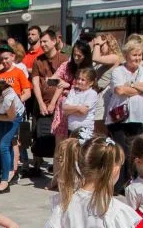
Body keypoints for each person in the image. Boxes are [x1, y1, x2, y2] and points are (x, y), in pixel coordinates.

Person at [107, 38, 143, 188]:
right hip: (119, 118)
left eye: (140, 55)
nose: (137, 58)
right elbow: (120, 90)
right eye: (134, 55)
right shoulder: (118, 71)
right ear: (127, 55)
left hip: (138, 117)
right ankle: (119, 183)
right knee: (121, 151)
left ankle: (134, 181)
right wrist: (140, 89)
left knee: (135, 151)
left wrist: (133, 85)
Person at [30, 28, 68, 171]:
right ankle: (37, 165)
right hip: (42, 104)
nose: (43, 44)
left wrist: (53, 103)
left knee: (59, 139)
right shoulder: (38, 61)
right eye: (41, 41)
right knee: (39, 135)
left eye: (45, 41)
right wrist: (40, 103)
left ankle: (58, 168)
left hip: (59, 104)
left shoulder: (64, 59)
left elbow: (62, 82)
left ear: (54, 41)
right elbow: (35, 83)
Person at [52, 41, 94, 139]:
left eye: (79, 56)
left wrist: (68, 85)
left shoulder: (89, 70)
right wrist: (61, 82)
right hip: (63, 108)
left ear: (86, 56)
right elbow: (51, 81)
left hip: (78, 109)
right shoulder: (66, 65)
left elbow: (89, 89)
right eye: (74, 55)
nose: (76, 58)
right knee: (60, 142)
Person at [61, 68, 98, 137]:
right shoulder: (72, 92)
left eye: (83, 80)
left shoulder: (92, 93)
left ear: (91, 83)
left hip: (85, 129)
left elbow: (83, 111)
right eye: (78, 79)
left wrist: (70, 110)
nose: (79, 81)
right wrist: (78, 108)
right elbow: (64, 109)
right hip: (71, 128)